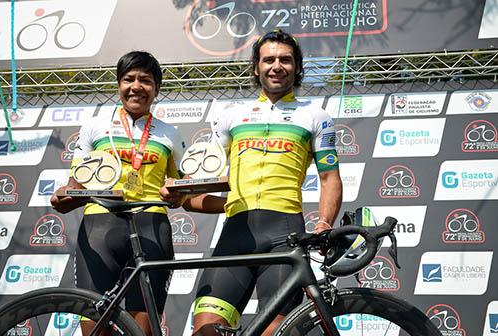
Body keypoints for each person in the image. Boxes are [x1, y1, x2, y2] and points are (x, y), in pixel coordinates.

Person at [192, 30, 343, 336]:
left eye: (285, 59)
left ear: (297, 67)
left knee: (275, 331)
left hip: (285, 235)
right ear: (256, 67)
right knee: (206, 328)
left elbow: (329, 177)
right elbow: (202, 180)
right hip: (236, 234)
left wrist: (325, 222)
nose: (277, 65)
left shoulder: (315, 115)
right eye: (269, 59)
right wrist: (182, 192)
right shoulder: (231, 116)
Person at [50, 51, 191, 335]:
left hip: (151, 224)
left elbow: (183, 186)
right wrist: (64, 196)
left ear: (157, 89)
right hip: (100, 224)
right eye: (128, 79)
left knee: (145, 327)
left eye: (146, 80)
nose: (136, 86)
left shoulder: (170, 133)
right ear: (118, 84)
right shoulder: (94, 126)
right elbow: (76, 183)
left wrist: (180, 195)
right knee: (93, 324)